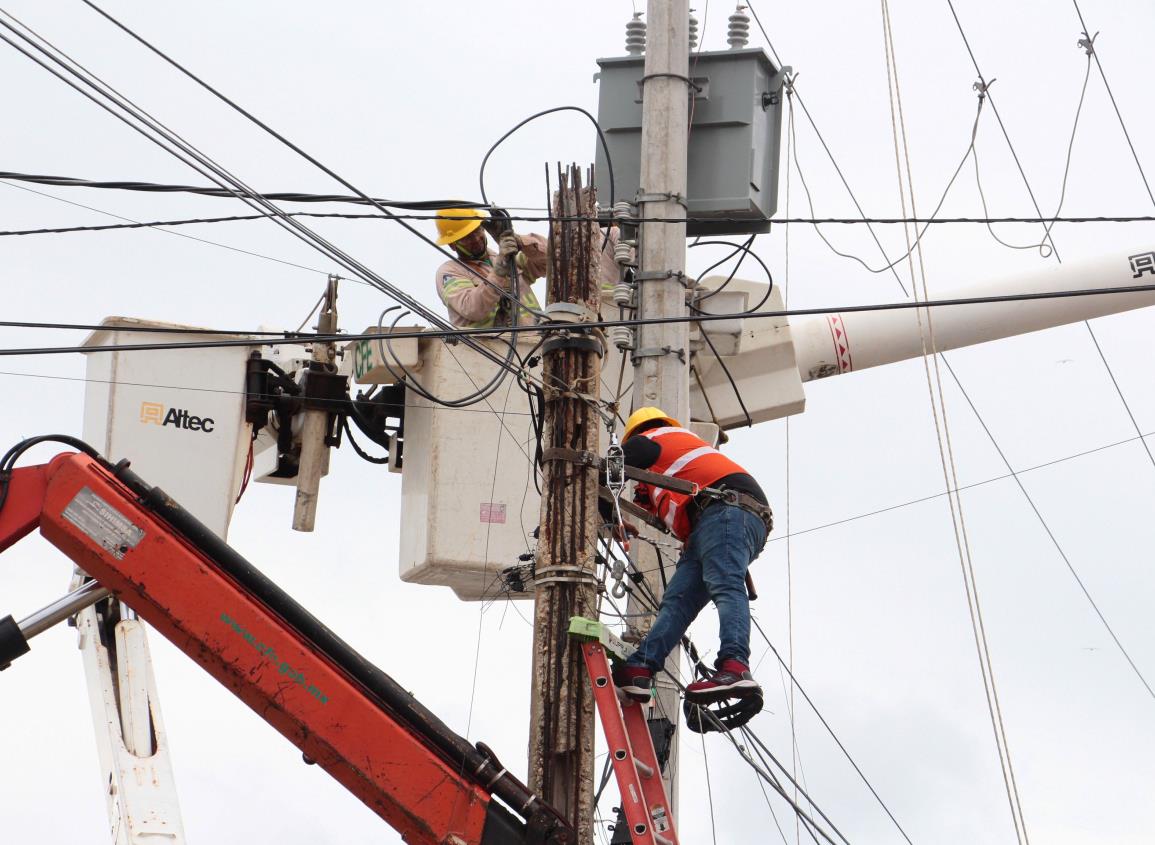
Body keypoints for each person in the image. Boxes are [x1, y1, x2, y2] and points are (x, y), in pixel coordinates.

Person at [610, 407, 773, 704]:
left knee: (725, 583)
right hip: (716, 522)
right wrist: (615, 519)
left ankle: (735, 665)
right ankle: (641, 667)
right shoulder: (666, 468)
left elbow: (610, 467)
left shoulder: (652, 437)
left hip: (727, 510)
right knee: (677, 603)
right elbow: (641, 503)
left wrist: (592, 495)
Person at [434, 207, 547, 328]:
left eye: (477, 230)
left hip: (533, 342)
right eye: (467, 237)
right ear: (452, 245)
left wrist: (518, 241)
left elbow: (551, 261)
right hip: (486, 346)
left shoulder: (508, 259)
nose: (476, 239)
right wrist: (498, 272)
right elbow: (472, 308)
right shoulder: (450, 271)